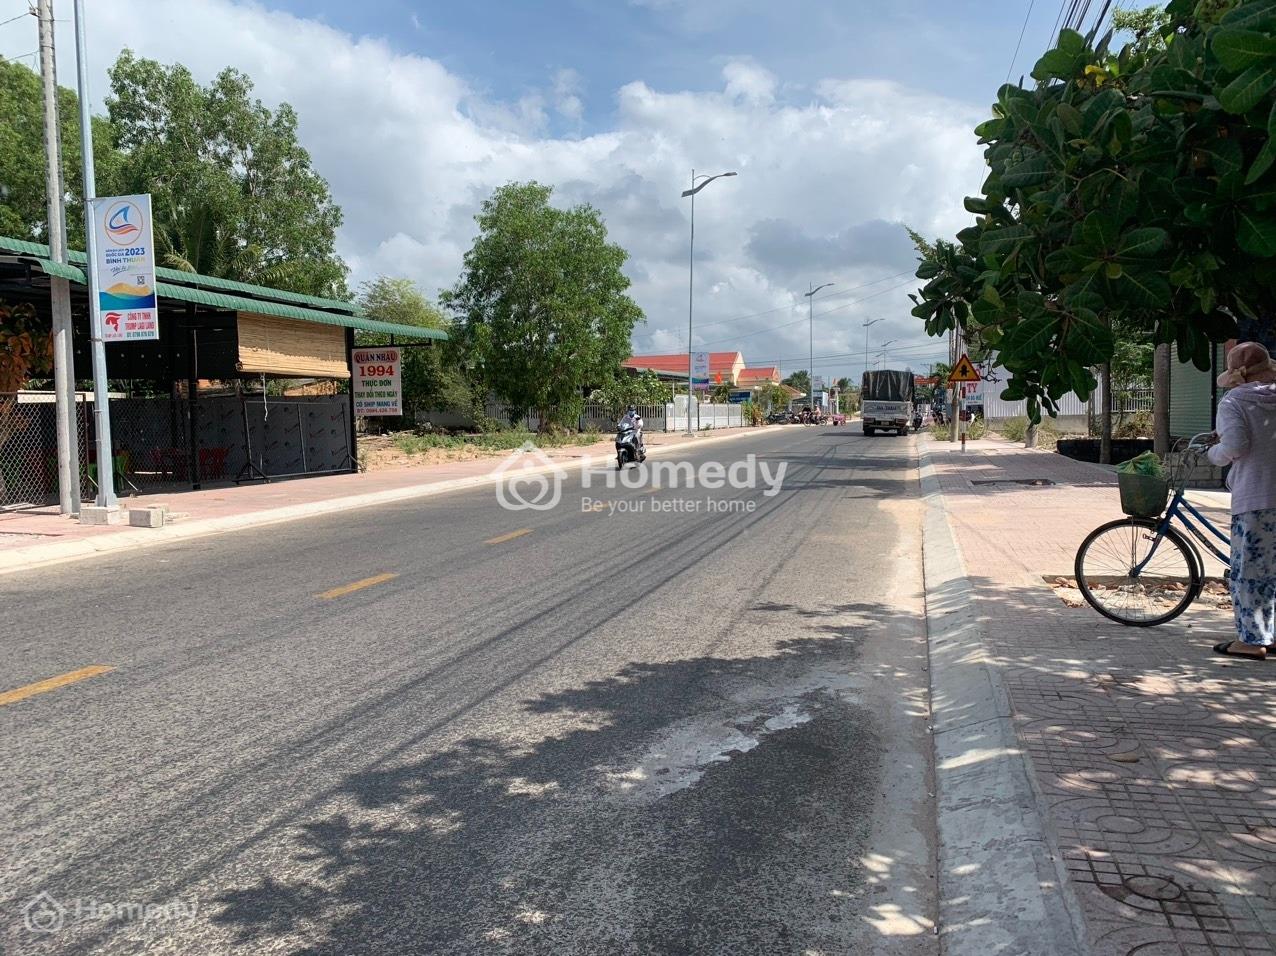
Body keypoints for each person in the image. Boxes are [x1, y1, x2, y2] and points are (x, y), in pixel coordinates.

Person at [1207, 342, 1276, 660]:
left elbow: (1235, 445)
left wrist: (1214, 453)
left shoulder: (1234, 401)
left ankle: (1251, 641)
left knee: (1250, 571)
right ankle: (1271, 636)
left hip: (1256, 496)